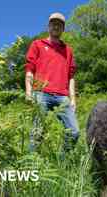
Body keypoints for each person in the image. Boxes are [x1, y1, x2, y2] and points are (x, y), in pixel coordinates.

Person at [25, 12, 79, 153]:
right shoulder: (37, 44)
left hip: (62, 96)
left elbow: (71, 77)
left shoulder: (68, 50)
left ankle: (62, 162)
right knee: (37, 132)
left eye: (59, 24)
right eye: (53, 23)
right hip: (40, 93)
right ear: (48, 26)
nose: (56, 26)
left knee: (73, 132)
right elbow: (29, 70)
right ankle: (32, 166)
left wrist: (73, 99)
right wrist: (29, 92)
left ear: (63, 29)